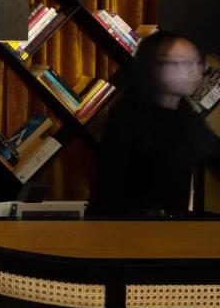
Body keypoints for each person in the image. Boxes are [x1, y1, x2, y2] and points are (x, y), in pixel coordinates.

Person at [93, 30, 220, 216]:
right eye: (184, 63)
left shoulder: (186, 118)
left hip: (169, 227)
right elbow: (114, 197)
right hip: (134, 230)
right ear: (154, 67)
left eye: (197, 62)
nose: (196, 70)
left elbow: (215, 151)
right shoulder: (128, 119)